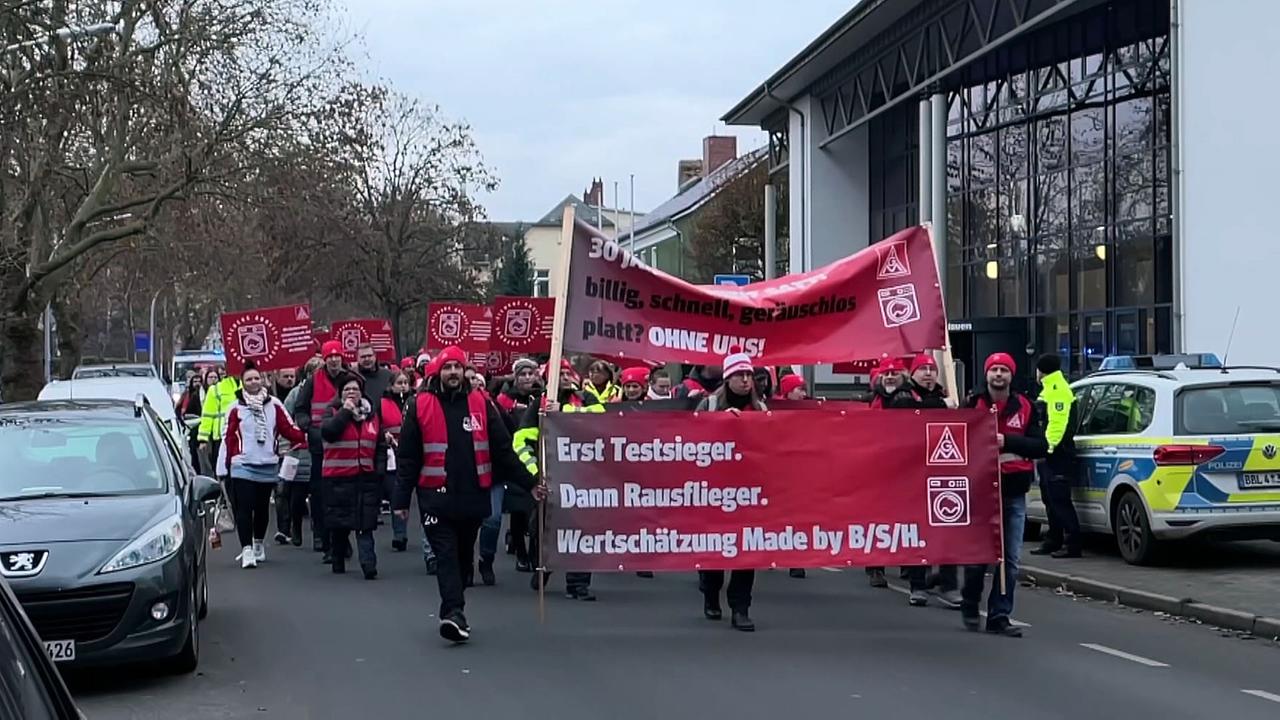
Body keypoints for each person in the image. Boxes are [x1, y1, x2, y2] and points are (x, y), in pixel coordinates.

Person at [394, 346, 538, 643]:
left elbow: (503, 450)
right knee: (445, 556)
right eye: (447, 368)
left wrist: (530, 482)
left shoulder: (482, 404)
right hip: (435, 495)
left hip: (473, 496)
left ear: (465, 372)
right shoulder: (420, 404)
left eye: (458, 368)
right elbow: (408, 457)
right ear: (438, 372)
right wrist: (401, 500)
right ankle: (452, 613)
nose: (453, 373)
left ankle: (457, 605)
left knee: (461, 558)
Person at [962, 353, 1048, 637]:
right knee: (977, 558)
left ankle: (999, 615)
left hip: (1012, 492)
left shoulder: (1025, 407)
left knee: (1009, 560)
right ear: (986, 375)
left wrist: (1007, 441)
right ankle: (970, 603)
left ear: (1011, 376)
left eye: (1003, 370)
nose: (998, 375)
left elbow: (1040, 445)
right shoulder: (973, 404)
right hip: (979, 493)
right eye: (994, 370)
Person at [514, 360, 606, 597]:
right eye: (559, 373)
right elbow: (521, 442)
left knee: (582, 530)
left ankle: (578, 585)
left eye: (567, 373)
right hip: (550, 478)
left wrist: (563, 413)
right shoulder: (537, 407)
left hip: (582, 480)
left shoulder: (587, 399)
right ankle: (542, 565)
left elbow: (602, 421)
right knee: (541, 529)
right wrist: (536, 475)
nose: (564, 377)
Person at [694, 348, 765, 632]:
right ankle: (711, 592)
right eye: (739, 375)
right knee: (715, 551)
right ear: (727, 379)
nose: (746, 380)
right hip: (715, 492)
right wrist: (721, 422)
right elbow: (690, 441)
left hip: (749, 492)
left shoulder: (760, 409)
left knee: (746, 551)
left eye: (749, 375)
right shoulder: (709, 405)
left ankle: (740, 607)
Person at [216, 363, 307, 569]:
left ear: (263, 380)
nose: (253, 382)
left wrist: (307, 438)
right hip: (242, 464)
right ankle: (246, 549)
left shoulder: (274, 404)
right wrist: (223, 467)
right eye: (249, 379)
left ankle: (258, 544)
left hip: (267, 463)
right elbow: (227, 438)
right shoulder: (235, 408)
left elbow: (288, 429)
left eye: (256, 378)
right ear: (242, 383)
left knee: (262, 507)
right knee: (244, 507)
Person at [889, 353, 961, 608]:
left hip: (942, 471)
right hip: (912, 472)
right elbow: (903, 412)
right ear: (913, 374)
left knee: (947, 528)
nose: (929, 374)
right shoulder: (904, 396)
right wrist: (943, 407)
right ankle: (917, 584)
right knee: (916, 529)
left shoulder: (945, 395)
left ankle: (949, 584)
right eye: (923, 370)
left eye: (932, 369)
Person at [320, 372, 386, 579]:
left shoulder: (372, 415)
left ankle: (369, 564)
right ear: (340, 394)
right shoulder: (331, 412)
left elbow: (380, 445)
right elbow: (329, 433)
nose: (351, 393)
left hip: (365, 477)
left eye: (355, 390)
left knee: (365, 524)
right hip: (338, 477)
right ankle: (338, 559)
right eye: (347, 390)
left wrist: (379, 470)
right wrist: (345, 412)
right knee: (340, 524)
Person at [293, 341, 348, 560]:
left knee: (344, 495)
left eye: (337, 356)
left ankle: (341, 538)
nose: (334, 360)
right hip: (320, 445)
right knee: (320, 493)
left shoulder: (349, 379)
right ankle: (323, 537)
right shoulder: (313, 382)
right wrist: (310, 428)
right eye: (330, 356)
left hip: (345, 445)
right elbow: (301, 409)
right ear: (325, 359)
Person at [864, 356, 911, 588]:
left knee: (906, 515)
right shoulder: (871, 400)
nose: (891, 377)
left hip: (905, 466)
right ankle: (875, 566)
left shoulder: (913, 399)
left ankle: (907, 562)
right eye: (887, 374)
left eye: (895, 373)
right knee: (878, 518)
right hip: (876, 466)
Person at [1029, 354, 1082, 559]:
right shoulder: (1051, 389)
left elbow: (1057, 425)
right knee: (1050, 499)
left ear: (1041, 370)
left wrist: (1047, 448)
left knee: (1060, 500)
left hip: (1058, 454)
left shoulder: (1058, 390)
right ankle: (1054, 539)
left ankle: (1072, 544)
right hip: (1051, 454)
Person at [278, 358, 321, 547]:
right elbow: (285, 421)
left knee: (319, 495)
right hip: (299, 450)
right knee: (297, 494)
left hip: (320, 449)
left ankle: (319, 533)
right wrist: (285, 446)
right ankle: (295, 527)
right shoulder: (296, 394)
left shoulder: (330, 392)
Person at [382, 371, 415, 553]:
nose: (402, 386)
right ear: (391, 385)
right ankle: (399, 534)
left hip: (412, 452)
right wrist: (384, 436)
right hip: (392, 453)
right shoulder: (383, 403)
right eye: (399, 382)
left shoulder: (415, 402)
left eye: (405, 382)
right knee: (396, 492)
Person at [197, 365, 241, 479]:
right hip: (221, 437)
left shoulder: (248, 386)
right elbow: (207, 415)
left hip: (243, 436)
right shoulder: (216, 389)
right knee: (223, 471)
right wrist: (203, 438)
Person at [177, 373, 206, 466]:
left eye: (199, 381)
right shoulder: (186, 395)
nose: (197, 384)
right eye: (195, 381)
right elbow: (178, 409)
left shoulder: (203, 394)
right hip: (190, 426)